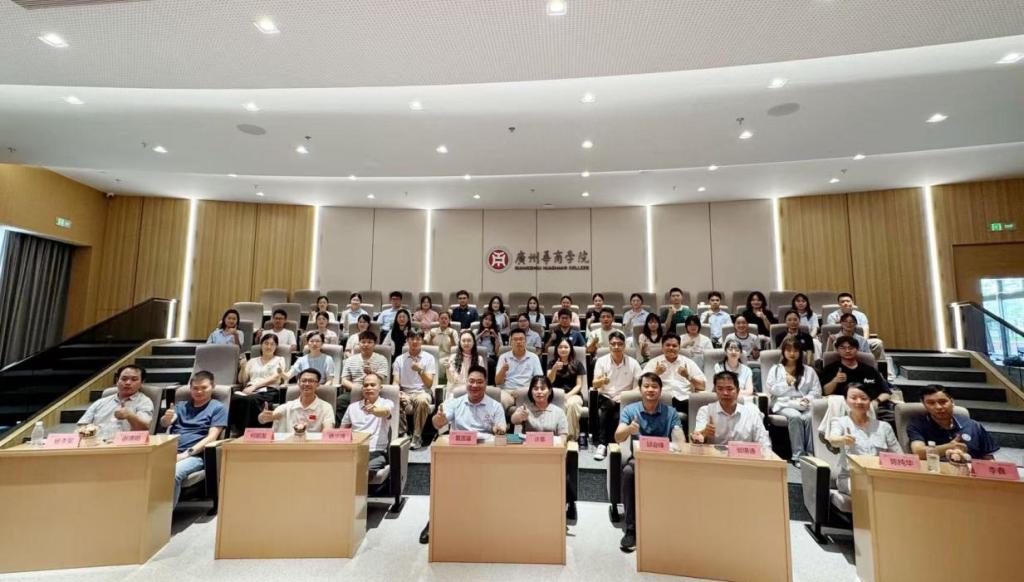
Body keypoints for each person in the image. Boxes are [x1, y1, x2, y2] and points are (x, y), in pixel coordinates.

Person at [421, 365, 506, 544]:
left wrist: (499, 430)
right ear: (466, 382)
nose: (474, 385)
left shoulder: (496, 406)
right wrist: (438, 419)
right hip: (458, 452)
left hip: (485, 455)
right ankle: (434, 520)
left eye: (479, 382)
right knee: (439, 479)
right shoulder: (455, 402)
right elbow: (438, 423)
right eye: (471, 381)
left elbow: (501, 432)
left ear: (486, 384)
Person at [615, 372, 685, 553]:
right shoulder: (630, 410)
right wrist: (629, 429)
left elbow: (680, 439)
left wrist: (679, 440)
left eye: (654, 386)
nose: (650, 390)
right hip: (639, 461)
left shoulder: (671, 412)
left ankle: (673, 526)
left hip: (664, 461)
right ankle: (631, 529)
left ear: (660, 390)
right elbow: (618, 436)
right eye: (646, 386)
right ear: (640, 389)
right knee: (628, 472)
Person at [510, 375, 576, 519]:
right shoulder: (525, 409)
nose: (539, 392)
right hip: (528, 456)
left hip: (551, 457)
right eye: (535, 388)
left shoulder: (558, 412)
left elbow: (563, 437)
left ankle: (562, 506)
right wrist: (520, 417)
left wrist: (554, 447)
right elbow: (513, 420)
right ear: (531, 391)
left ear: (550, 391)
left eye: (543, 388)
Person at [161, 370, 227, 507]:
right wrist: (166, 418)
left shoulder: (217, 408)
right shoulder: (180, 406)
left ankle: (164, 515)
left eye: (204, 388)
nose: (199, 391)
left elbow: (212, 437)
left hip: (195, 456)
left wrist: (186, 454)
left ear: (213, 387)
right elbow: (166, 423)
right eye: (195, 388)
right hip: (169, 451)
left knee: (171, 473)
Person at [827, 383, 902, 494]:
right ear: (846, 401)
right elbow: (833, 440)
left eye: (863, 398)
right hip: (851, 477)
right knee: (869, 491)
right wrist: (842, 439)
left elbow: (898, 456)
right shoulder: (839, 422)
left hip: (880, 476)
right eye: (853, 398)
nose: (859, 402)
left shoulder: (884, 427)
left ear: (870, 401)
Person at [766, 337, 823, 462]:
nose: (792, 353)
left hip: (804, 404)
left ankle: (810, 455)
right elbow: (771, 390)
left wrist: (807, 399)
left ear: (800, 352)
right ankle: (798, 456)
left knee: (809, 417)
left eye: (795, 350)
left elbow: (816, 391)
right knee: (795, 416)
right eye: (788, 350)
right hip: (783, 404)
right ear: (783, 352)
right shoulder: (776, 369)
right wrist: (786, 384)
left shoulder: (809, 370)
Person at [907, 385, 999, 461]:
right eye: (931, 403)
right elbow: (918, 452)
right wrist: (950, 446)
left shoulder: (972, 425)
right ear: (924, 404)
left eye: (943, 402)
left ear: (952, 401)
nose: (938, 407)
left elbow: (989, 458)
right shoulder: (917, 425)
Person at [591, 331, 642, 461]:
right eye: (613, 344)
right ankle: (603, 444)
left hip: (625, 397)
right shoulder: (601, 361)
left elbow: (640, 385)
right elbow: (595, 384)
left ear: (624, 346)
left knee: (618, 411)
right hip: (606, 396)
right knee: (609, 406)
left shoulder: (633, 363)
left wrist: (626, 395)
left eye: (619, 344)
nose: (616, 347)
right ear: (609, 345)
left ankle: (616, 445)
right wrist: (602, 381)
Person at [820, 336, 893, 423]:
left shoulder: (869, 369)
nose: (847, 351)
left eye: (851, 348)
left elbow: (886, 392)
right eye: (843, 348)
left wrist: (876, 402)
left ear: (857, 349)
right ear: (837, 350)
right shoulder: (831, 369)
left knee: (893, 417)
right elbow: (825, 392)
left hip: (872, 406)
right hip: (844, 408)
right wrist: (835, 380)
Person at [691, 371, 771, 447]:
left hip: (744, 456)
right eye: (720, 389)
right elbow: (697, 439)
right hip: (715, 456)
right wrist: (704, 434)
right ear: (715, 391)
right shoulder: (705, 411)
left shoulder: (752, 413)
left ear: (738, 391)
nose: (725, 393)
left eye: (729, 389)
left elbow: (765, 445)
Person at [230, 334, 287, 435]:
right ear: (261, 345)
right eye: (266, 343)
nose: (269, 346)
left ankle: (247, 432)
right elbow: (242, 380)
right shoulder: (252, 361)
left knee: (251, 399)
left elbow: (276, 377)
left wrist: (255, 386)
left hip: (269, 390)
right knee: (235, 398)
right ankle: (235, 431)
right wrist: (243, 367)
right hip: (250, 390)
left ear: (276, 346)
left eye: (272, 344)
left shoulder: (279, 359)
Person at [340, 372, 394, 473]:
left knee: (363, 471)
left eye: (372, 385)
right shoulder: (352, 407)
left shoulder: (386, 403)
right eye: (365, 385)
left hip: (375, 451)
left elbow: (385, 412)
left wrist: (374, 410)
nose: (369, 388)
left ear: (380, 388)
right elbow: (342, 430)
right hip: (354, 450)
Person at [393, 329, 436, 449]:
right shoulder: (399, 359)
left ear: (422, 341)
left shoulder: (429, 358)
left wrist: (420, 371)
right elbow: (396, 381)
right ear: (407, 340)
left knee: (422, 400)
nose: (415, 342)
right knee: (395, 398)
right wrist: (398, 392)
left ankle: (417, 436)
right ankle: (403, 434)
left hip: (422, 391)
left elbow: (429, 384)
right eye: (412, 339)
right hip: (405, 392)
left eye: (418, 339)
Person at [77, 365, 153, 433]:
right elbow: (82, 426)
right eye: (124, 379)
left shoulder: (144, 402)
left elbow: (145, 428)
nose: (128, 383)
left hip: (127, 442)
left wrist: (130, 416)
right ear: (117, 381)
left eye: (134, 379)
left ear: (142, 382)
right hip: (97, 441)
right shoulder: (100, 402)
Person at [258, 369, 336, 433]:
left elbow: (328, 430)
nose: (307, 384)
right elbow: (266, 418)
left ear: (318, 384)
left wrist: (327, 431)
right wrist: (262, 417)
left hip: (314, 446)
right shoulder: (287, 407)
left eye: (311, 381)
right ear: (298, 383)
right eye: (303, 380)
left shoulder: (326, 407)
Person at [642, 333, 705, 407]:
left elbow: (702, 386)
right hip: (661, 400)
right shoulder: (653, 362)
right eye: (668, 345)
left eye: (674, 346)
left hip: (684, 400)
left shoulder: (688, 362)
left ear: (679, 348)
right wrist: (656, 374)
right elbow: (642, 384)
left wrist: (688, 376)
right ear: (662, 347)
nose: (671, 348)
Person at [825, 292, 887, 365]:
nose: (845, 303)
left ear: (852, 302)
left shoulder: (861, 315)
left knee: (878, 343)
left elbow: (865, 330)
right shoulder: (832, 316)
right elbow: (832, 332)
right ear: (839, 304)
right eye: (842, 301)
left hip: (858, 339)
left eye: (848, 301)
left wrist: (863, 341)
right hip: (840, 340)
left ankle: (874, 364)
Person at [340, 330, 390, 411]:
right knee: (340, 401)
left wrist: (371, 373)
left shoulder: (382, 359)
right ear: (359, 344)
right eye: (363, 342)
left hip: (374, 391)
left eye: (369, 342)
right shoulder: (350, 360)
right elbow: (344, 381)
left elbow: (382, 379)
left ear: (374, 344)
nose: (366, 344)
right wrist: (358, 389)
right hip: (355, 389)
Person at [496, 328, 544, 411]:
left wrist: (522, 391)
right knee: (500, 400)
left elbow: (539, 380)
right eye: (515, 339)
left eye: (521, 339)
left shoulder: (534, 357)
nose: (518, 342)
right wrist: (503, 370)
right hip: (507, 391)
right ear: (510, 342)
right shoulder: (503, 357)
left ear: (526, 341)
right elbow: (497, 382)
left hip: (527, 391)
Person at [548, 338, 585, 444]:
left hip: (574, 394)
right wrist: (554, 369)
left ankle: (570, 438)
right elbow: (549, 381)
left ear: (570, 349)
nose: (563, 349)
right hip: (556, 395)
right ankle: (556, 436)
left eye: (566, 347)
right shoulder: (552, 363)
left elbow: (579, 385)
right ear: (557, 349)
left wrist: (567, 396)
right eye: (560, 347)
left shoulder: (577, 364)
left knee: (572, 404)